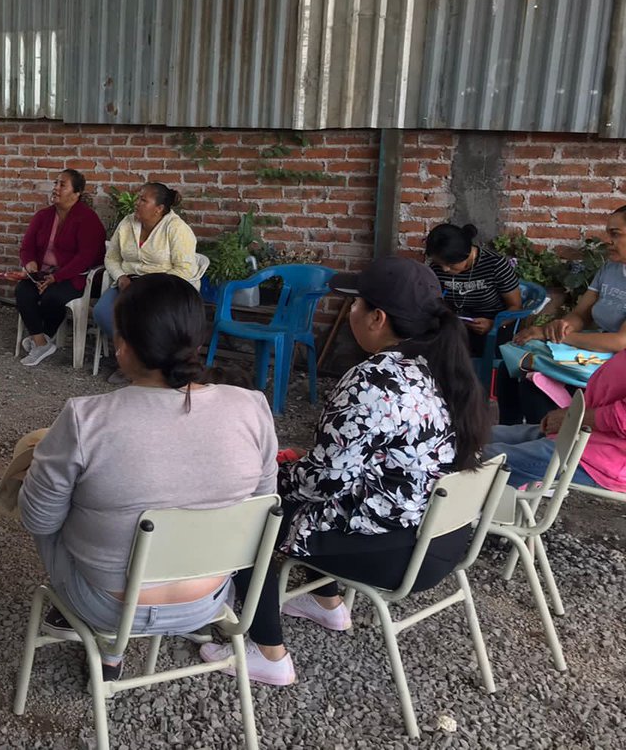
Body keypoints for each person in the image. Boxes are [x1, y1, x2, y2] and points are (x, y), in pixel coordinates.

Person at [201, 257, 489, 685]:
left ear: (378, 318)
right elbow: (368, 463)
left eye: (354, 305)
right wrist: (309, 463)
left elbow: (323, 483)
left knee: (255, 515)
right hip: (441, 538)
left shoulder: (373, 379)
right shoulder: (441, 367)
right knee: (319, 492)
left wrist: (265, 478)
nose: (346, 312)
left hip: (394, 551)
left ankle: (269, 653)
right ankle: (327, 601)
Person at [20, 274, 278, 680]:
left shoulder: (85, 418)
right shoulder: (251, 407)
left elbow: (39, 521)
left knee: (46, 500)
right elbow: (262, 508)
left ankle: (109, 646)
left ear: (122, 346)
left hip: (106, 604)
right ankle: (113, 642)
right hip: (208, 600)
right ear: (197, 340)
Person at [501, 206, 626, 424]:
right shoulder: (610, 270)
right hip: (595, 350)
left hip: (617, 364)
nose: (608, 240)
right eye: (608, 233)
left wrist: (550, 336)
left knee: (534, 381)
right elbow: (581, 314)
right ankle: (512, 434)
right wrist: (563, 325)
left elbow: (620, 342)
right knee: (511, 364)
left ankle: (545, 442)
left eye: (615, 234)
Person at [93, 182, 199, 383]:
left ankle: (149, 365)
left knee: (149, 319)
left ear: (159, 209)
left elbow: (184, 269)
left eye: (143, 200)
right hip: (128, 283)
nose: (137, 203)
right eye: (138, 198)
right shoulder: (127, 223)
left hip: (162, 288)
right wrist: (121, 277)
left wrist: (152, 286)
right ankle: (129, 360)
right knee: (103, 312)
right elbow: (112, 257)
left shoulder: (176, 229)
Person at [486, 349, 626, 492]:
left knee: (480, 457)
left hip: (599, 458)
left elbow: (622, 418)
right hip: (578, 435)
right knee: (474, 436)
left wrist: (570, 418)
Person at [16, 169, 107, 367]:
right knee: (23, 291)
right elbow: (27, 246)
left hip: (75, 276)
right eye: (56, 183)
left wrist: (56, 277)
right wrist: (29, 262)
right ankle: (41, 342)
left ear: (76, 193)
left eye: (62, 185)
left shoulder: (88, 220)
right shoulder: (43, 216)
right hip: (43, 273)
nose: (56, 188)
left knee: (52, 296)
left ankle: (42, 338)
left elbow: (85, 258)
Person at [425, 223, 521, 355]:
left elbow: (515, 306)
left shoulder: (495, 265)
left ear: (466, 254)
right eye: (440, 264)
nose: (445, 269)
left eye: (450, 264)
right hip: (455, 322)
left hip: (492, 323)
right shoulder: (436, 268)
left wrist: (493, 324)